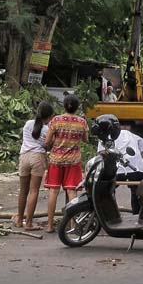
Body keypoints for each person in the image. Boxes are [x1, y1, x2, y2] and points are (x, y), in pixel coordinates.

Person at [44, 94, 88, 233]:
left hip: (56, 160)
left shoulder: (56, 120)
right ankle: (73, 225)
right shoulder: (82, 122)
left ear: (64, 106)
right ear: (77, 107)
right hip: (73, 161)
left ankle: (50, 225)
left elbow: (47, 141)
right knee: (71, 191)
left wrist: (57, 141)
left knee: (53, 191)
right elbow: (86, 139)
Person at [15, 102, 54, 230]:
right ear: (49, 116)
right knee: (34, 191)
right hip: (37, 157)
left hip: (24, 157)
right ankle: (29, 223)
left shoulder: (28, 124)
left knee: (23, 190)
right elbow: (48, 145)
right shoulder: (47, 130)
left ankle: (19, 220)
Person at [97, 122, 143, 214]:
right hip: (136, 169)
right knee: (137, 192)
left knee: (106, 190)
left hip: (117, 170)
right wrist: (142, 163)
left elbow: (101, 153)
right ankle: (138, 214)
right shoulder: (132, 135)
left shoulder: (104, 137)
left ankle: (110, 214)